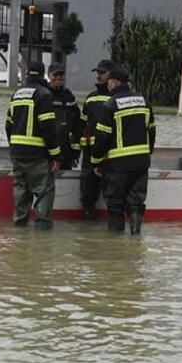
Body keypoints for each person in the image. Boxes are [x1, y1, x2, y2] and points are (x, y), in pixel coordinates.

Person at [90, 65, 155, 235]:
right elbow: (152, 131)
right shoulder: (144, 102)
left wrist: (95, 161)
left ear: (116, 82)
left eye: (109, 81)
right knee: (136, 202)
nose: (108, 85)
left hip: (118, 165)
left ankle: (116, 243)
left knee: (115, 204)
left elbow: (102, 136)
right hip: (141, 163)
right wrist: (146, 154)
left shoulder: (110, 104)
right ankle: (135, 236)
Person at [5, 60, 62, 229]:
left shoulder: (16, 94)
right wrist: (55, 155)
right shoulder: (44, 94)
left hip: (17, 153)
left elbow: (8, 125)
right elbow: (48, 128)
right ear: (44, 74)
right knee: (44, 191)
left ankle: (19, 226)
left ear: (27, 74)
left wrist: (14, 146)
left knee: (21, 190)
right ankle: (43, 231)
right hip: (37, 154)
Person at [76, 59, 114, 220]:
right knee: (88, 192)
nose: (98, 76)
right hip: (90, 154)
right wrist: (76, 150)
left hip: (111, 154)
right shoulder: (90, 98)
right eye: (97, 72)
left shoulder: (117, 98)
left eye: (102, 73)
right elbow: (82, 125)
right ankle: (88, 224)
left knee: (112, 192)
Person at [47, 62, 81, 170]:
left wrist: (75, 151)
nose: (58, 78)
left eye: (61, 75)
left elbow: (78, 124)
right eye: (55, 75)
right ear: (49, 75)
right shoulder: (44, 95)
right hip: (46, 150)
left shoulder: (69, 97)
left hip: (65, 148)